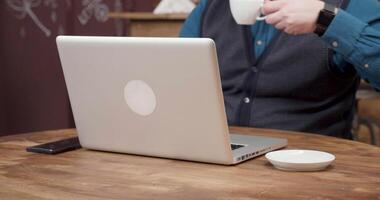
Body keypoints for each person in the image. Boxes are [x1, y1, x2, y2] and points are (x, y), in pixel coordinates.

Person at [180, 0, 380, 139]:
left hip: (312, 162)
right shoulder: (211, 8)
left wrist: (327, 20)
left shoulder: (352, 5)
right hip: (219, 156)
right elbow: (177, 77)